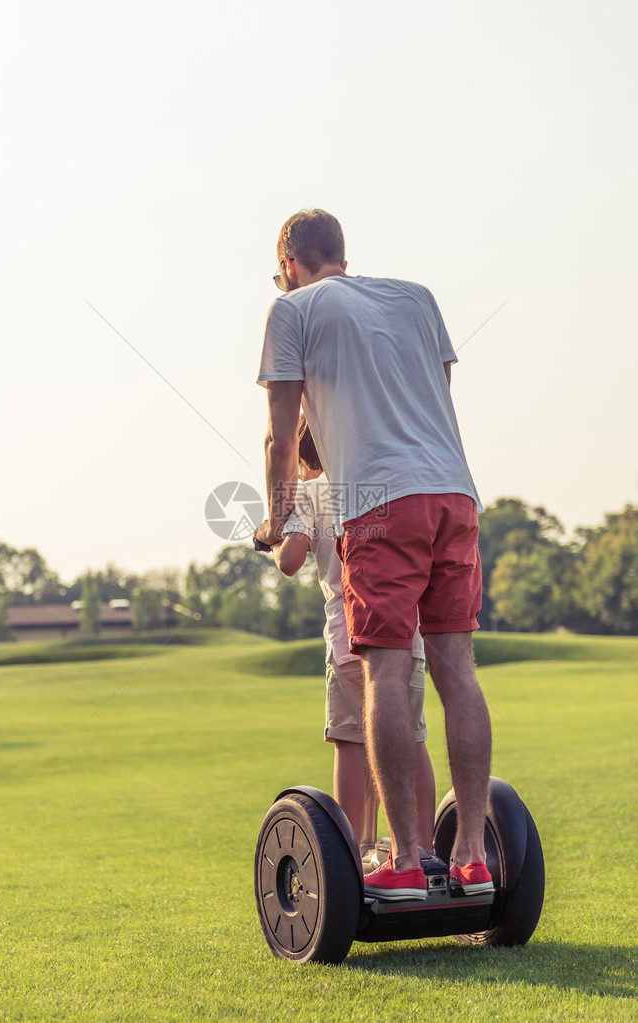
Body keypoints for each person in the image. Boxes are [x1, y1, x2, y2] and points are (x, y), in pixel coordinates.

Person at [255, 209, 494, 902]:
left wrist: (276, 518)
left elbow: (282, 438)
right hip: (454, 495)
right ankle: (473, 856)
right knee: (455, 666)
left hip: (380, 504)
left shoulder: (291, 307)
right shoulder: (417, 299)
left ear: (290, 262)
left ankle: (407, 861)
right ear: (341, 252)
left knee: (382, 670)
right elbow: (430, 401)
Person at [267, 415, 436, 852]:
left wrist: (271, 539)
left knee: (350, 744)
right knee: (412, 740)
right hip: (407, 636)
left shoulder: (311, 490)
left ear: (304, 457)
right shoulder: (381, 482)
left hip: (350, 639)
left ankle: (354, 853)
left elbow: (289, 561)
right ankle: (421, 851)